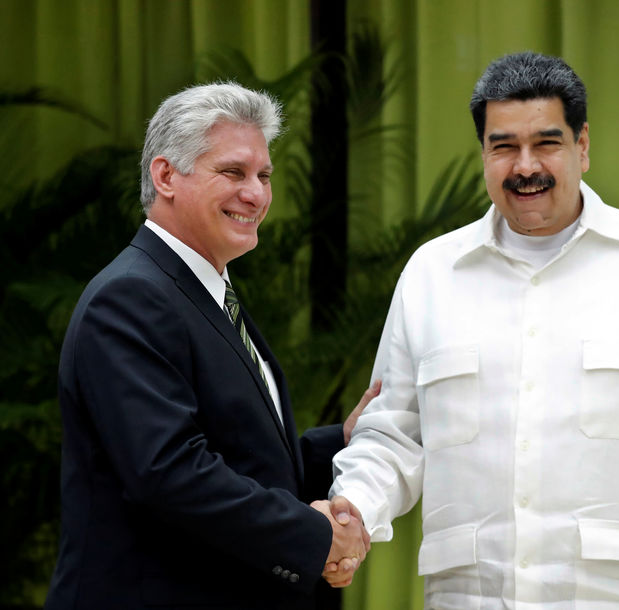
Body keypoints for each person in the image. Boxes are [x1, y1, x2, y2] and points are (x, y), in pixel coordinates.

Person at [329, 52, 619, 609]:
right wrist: (349, 511)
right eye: (504, 146)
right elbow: (391, 437)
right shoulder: (432, 275)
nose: (525, 166)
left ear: (582, 145)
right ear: (484, 153)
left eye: (546, 142)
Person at [45, 82, 374, 609]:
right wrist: (315, 537)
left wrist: (343, 440)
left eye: (264, 175)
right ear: (166, 176)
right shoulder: (131, 296)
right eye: (233, 172)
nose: (257, 194)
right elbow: (170, 473)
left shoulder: (203, 291)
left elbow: (240, 454)